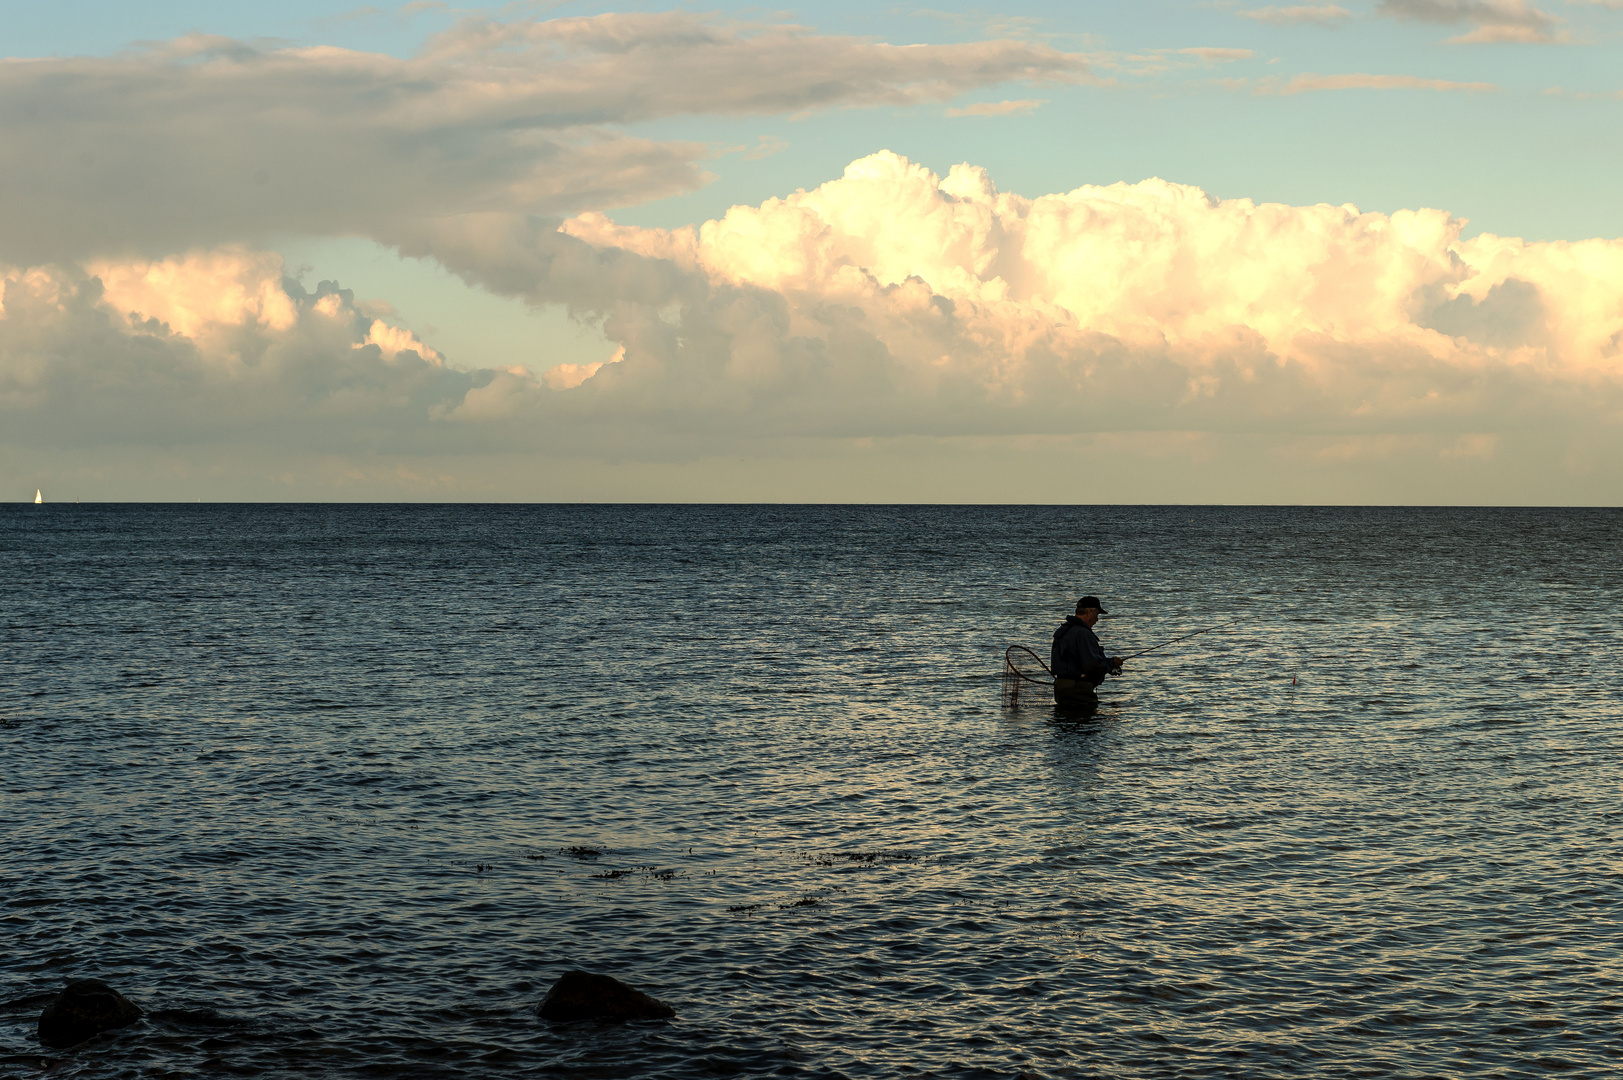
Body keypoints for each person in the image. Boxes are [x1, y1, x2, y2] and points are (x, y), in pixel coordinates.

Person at [1051, 596, 1124, 702]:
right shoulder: (1083, 633)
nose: (1097, 619)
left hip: (1060, 688)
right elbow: (1091, 665)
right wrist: (1111, 663)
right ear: (1089, 612)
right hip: (1078, 691)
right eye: (1097, 614)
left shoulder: (1063, 630)